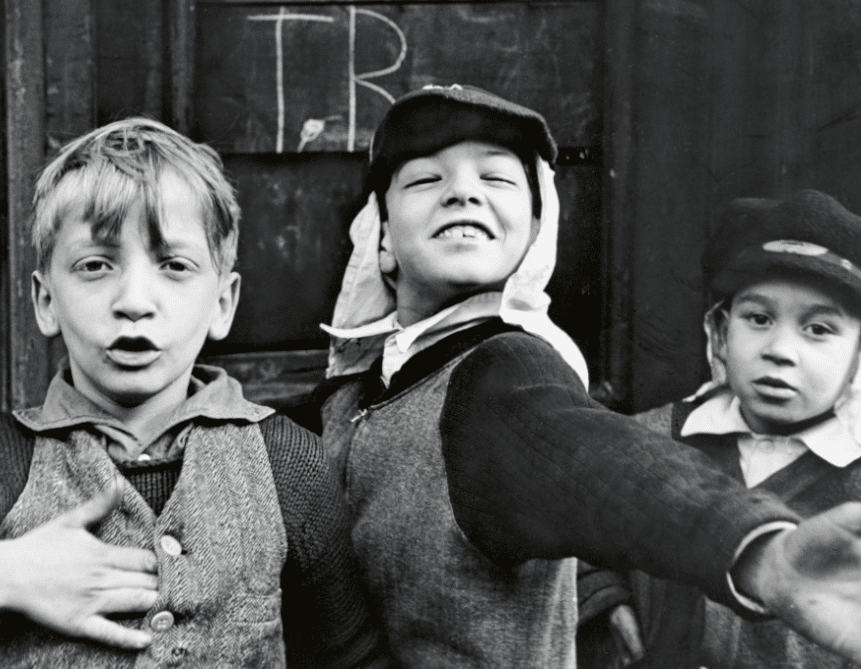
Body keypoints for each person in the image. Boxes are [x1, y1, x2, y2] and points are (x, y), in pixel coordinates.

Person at [0, 117, 391, 669]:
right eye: (96, 265)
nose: (134, 304)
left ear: (223, 303)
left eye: (174, 266)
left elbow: (353, 655)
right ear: (45, 301)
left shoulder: (289, 465)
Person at [316, 83, 861, 668]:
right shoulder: (353, 392)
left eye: (497, 178)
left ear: (534, 231)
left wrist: (761, 553)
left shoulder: (501, 373)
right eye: (426, 179)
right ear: (381, 238)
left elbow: (613, 467)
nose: (462, 192)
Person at [579, 189, 861, 668]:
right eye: (759, 318)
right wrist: (604, 596)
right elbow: (581, 525)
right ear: (720, 331)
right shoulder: (649, 439)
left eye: (818, 329)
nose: (779, 349)